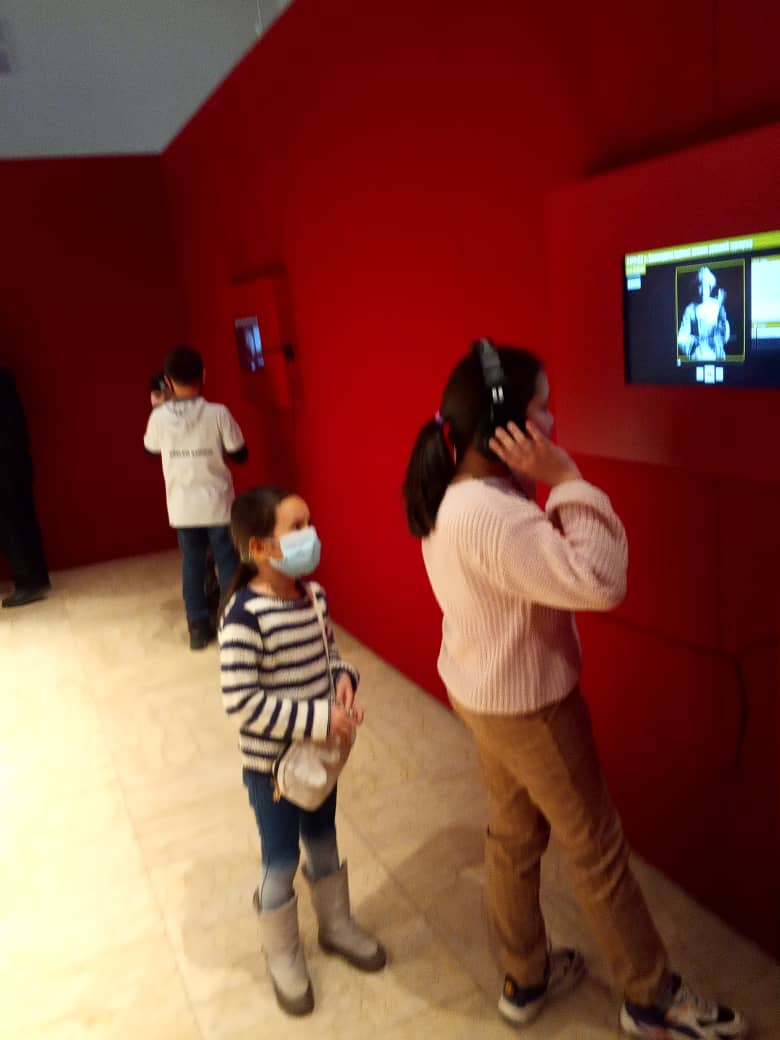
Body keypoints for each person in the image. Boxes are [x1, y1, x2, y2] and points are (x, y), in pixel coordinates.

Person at [402, 342, 747, 1039]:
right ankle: (651, 997)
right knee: (597, 850)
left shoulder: (456, 494)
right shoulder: (495, 516)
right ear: (505, 425)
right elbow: (601, 580)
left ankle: (524, 975)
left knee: (512, 835)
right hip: (531, 708)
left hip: (484, 693)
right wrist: (567, 477)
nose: (553, 420)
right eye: (543, 407)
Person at [218, 486, 386, 1016]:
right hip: (273, 769)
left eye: (309, 522)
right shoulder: (244, 616)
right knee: (281, 859)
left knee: (323, 839)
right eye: (296, 527)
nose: (309, 534)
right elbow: (241, 702)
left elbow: (330, 654)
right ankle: (282, 952)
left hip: (318, 761)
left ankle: (335, 926)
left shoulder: (313, 597)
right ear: (259, 547)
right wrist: (317, 718)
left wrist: (344, 679)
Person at [143, 346, 248, 649]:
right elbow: (240, 454)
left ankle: (198, 627)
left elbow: (150, 450)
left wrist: (161, 408)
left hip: (182, 507)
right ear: (203, 375)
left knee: (191, 563)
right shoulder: (218, 413)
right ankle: (232, 624)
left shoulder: (159, 418)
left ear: (167, 380)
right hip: (218, 504)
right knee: (227, 561)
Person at [0, 368, 51, 608]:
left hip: (4, 465)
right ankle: (37, 577)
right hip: (17, 460)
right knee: (25, 519)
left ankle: (27, 583)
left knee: (10, 525)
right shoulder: (5, 378)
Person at [677, 266, 730, 361]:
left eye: (706, 286)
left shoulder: (717, 305)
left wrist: (721, 307)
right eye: (700, 286)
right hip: (698, 355)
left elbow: (724, 334)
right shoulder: (690, 309)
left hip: (717, 354)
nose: (702, 290)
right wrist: (696, 344)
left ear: (710, 288)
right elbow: (681, 337)